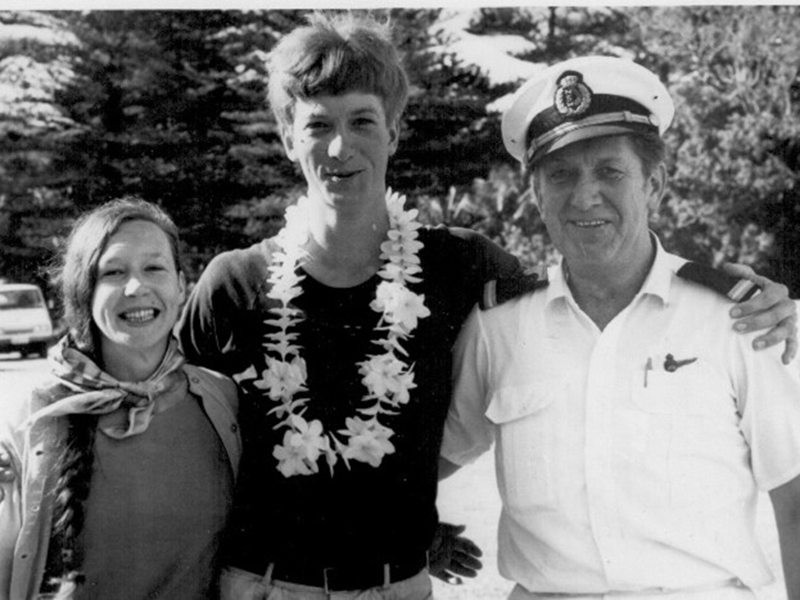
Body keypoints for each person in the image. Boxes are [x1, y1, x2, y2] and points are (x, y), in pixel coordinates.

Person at [176, 13, 796, 600]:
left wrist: (733, 288)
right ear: (288, 137)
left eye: (363, 121)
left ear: (393, 132)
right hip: (261, 585)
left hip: (401, 589)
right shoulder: (235, 284)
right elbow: (157, 402)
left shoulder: (461, 268)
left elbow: (598, 265)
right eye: (317, 124)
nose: (340, 147)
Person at [440, 56, 800, 600]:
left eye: (610, 171)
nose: (585, 196)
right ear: (535, 193)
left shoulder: (736, 319)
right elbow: (426, 460)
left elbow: (794, 500)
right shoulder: (499, 326)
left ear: (653, 184)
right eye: (561, 175)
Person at [0, 198, 241, 599]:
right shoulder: (34, 415)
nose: (136, 287)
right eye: (113, 272)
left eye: (154, 268)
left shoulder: (221, 401)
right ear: (85, 292)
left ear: (181, 285)